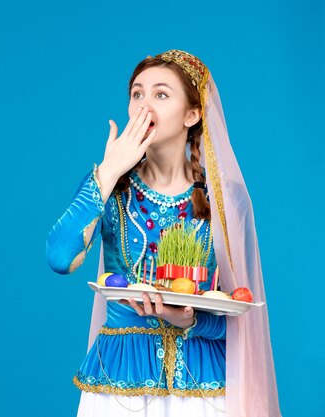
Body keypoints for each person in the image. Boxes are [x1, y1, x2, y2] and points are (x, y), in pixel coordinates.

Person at [46, 50, 280, 416]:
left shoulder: (223, 199)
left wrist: (190, 319)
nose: (144, 106)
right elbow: (59, 259)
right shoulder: (110, 189)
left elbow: (240, 316)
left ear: (192, 113)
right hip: (120, 382)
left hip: (204, 386)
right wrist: (107, 173)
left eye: (161, 94)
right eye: (137, 94)